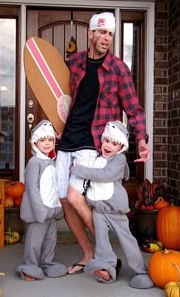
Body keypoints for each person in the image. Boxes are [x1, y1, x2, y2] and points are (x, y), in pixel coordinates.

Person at [56, 11, 150, 275]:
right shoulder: (74, 63)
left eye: (110, 33)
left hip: (93, 142)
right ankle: (89, 255)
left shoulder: (118, 69)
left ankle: (106, 259)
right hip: (69, 139)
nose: (107, 38)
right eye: (102, 32)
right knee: (65, 200)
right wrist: (61, 129)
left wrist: (141, 138)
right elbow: (66, 101)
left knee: (76, 197)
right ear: (91, 33)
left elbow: (133, 109)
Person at [71, 120, 154, 289]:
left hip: (115, 210)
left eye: (114, 143)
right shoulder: (99, 158)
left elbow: (104, 175)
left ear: (121, 147)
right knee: (101, 242)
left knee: (127, 240)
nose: (109, 145)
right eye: (106, 141)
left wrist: (79, 170)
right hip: (99, 210)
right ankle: (107, 268)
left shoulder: (119, 160)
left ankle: (141, 271)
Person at [16, 120, 67, 281]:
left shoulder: (52, 162)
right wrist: (40, 211)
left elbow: (55, 186)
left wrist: (58, 208)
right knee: (35, 240)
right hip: (40, 211)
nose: (47, 143)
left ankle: (47, 262)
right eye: (43, 140)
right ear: (35, 142)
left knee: (50, 239)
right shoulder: (34, 163)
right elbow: (32, 188)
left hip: (51, 209)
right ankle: (29, 265)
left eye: (50, 140)